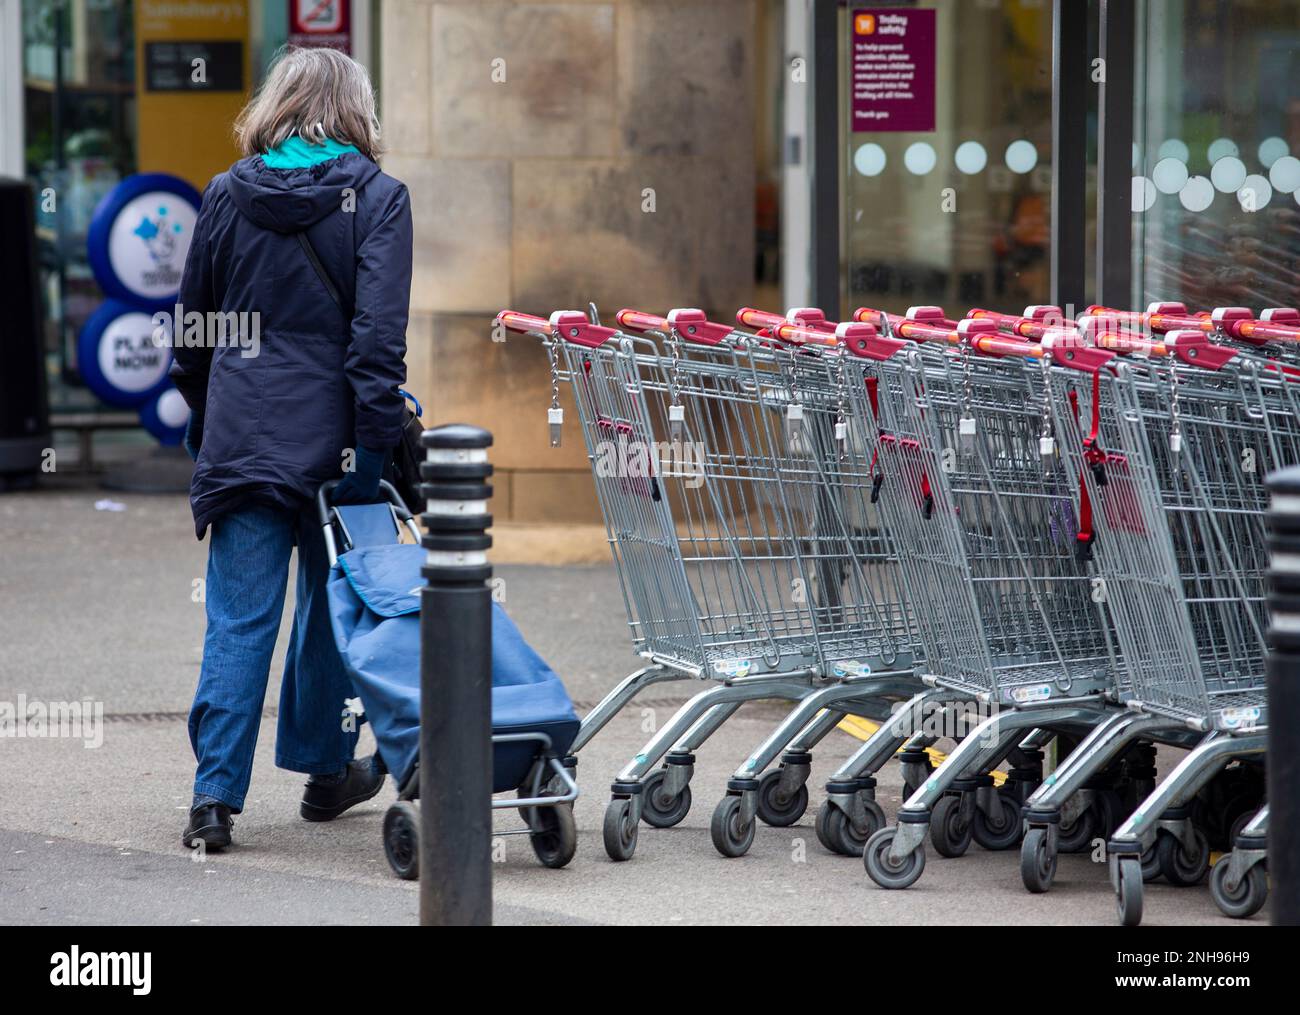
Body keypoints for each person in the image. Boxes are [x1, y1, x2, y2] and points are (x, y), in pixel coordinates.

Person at [170, 46, 413, 851]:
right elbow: (376, 345)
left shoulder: (224, 196)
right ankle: (324, 770)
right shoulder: (378, 198)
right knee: (334, 610)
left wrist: (208, 423)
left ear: (276, 105)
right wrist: (374, 454)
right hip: (336, 445)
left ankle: (213, 800)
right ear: (356, 110)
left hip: (243, 435)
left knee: (238, 619)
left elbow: (194, 334)